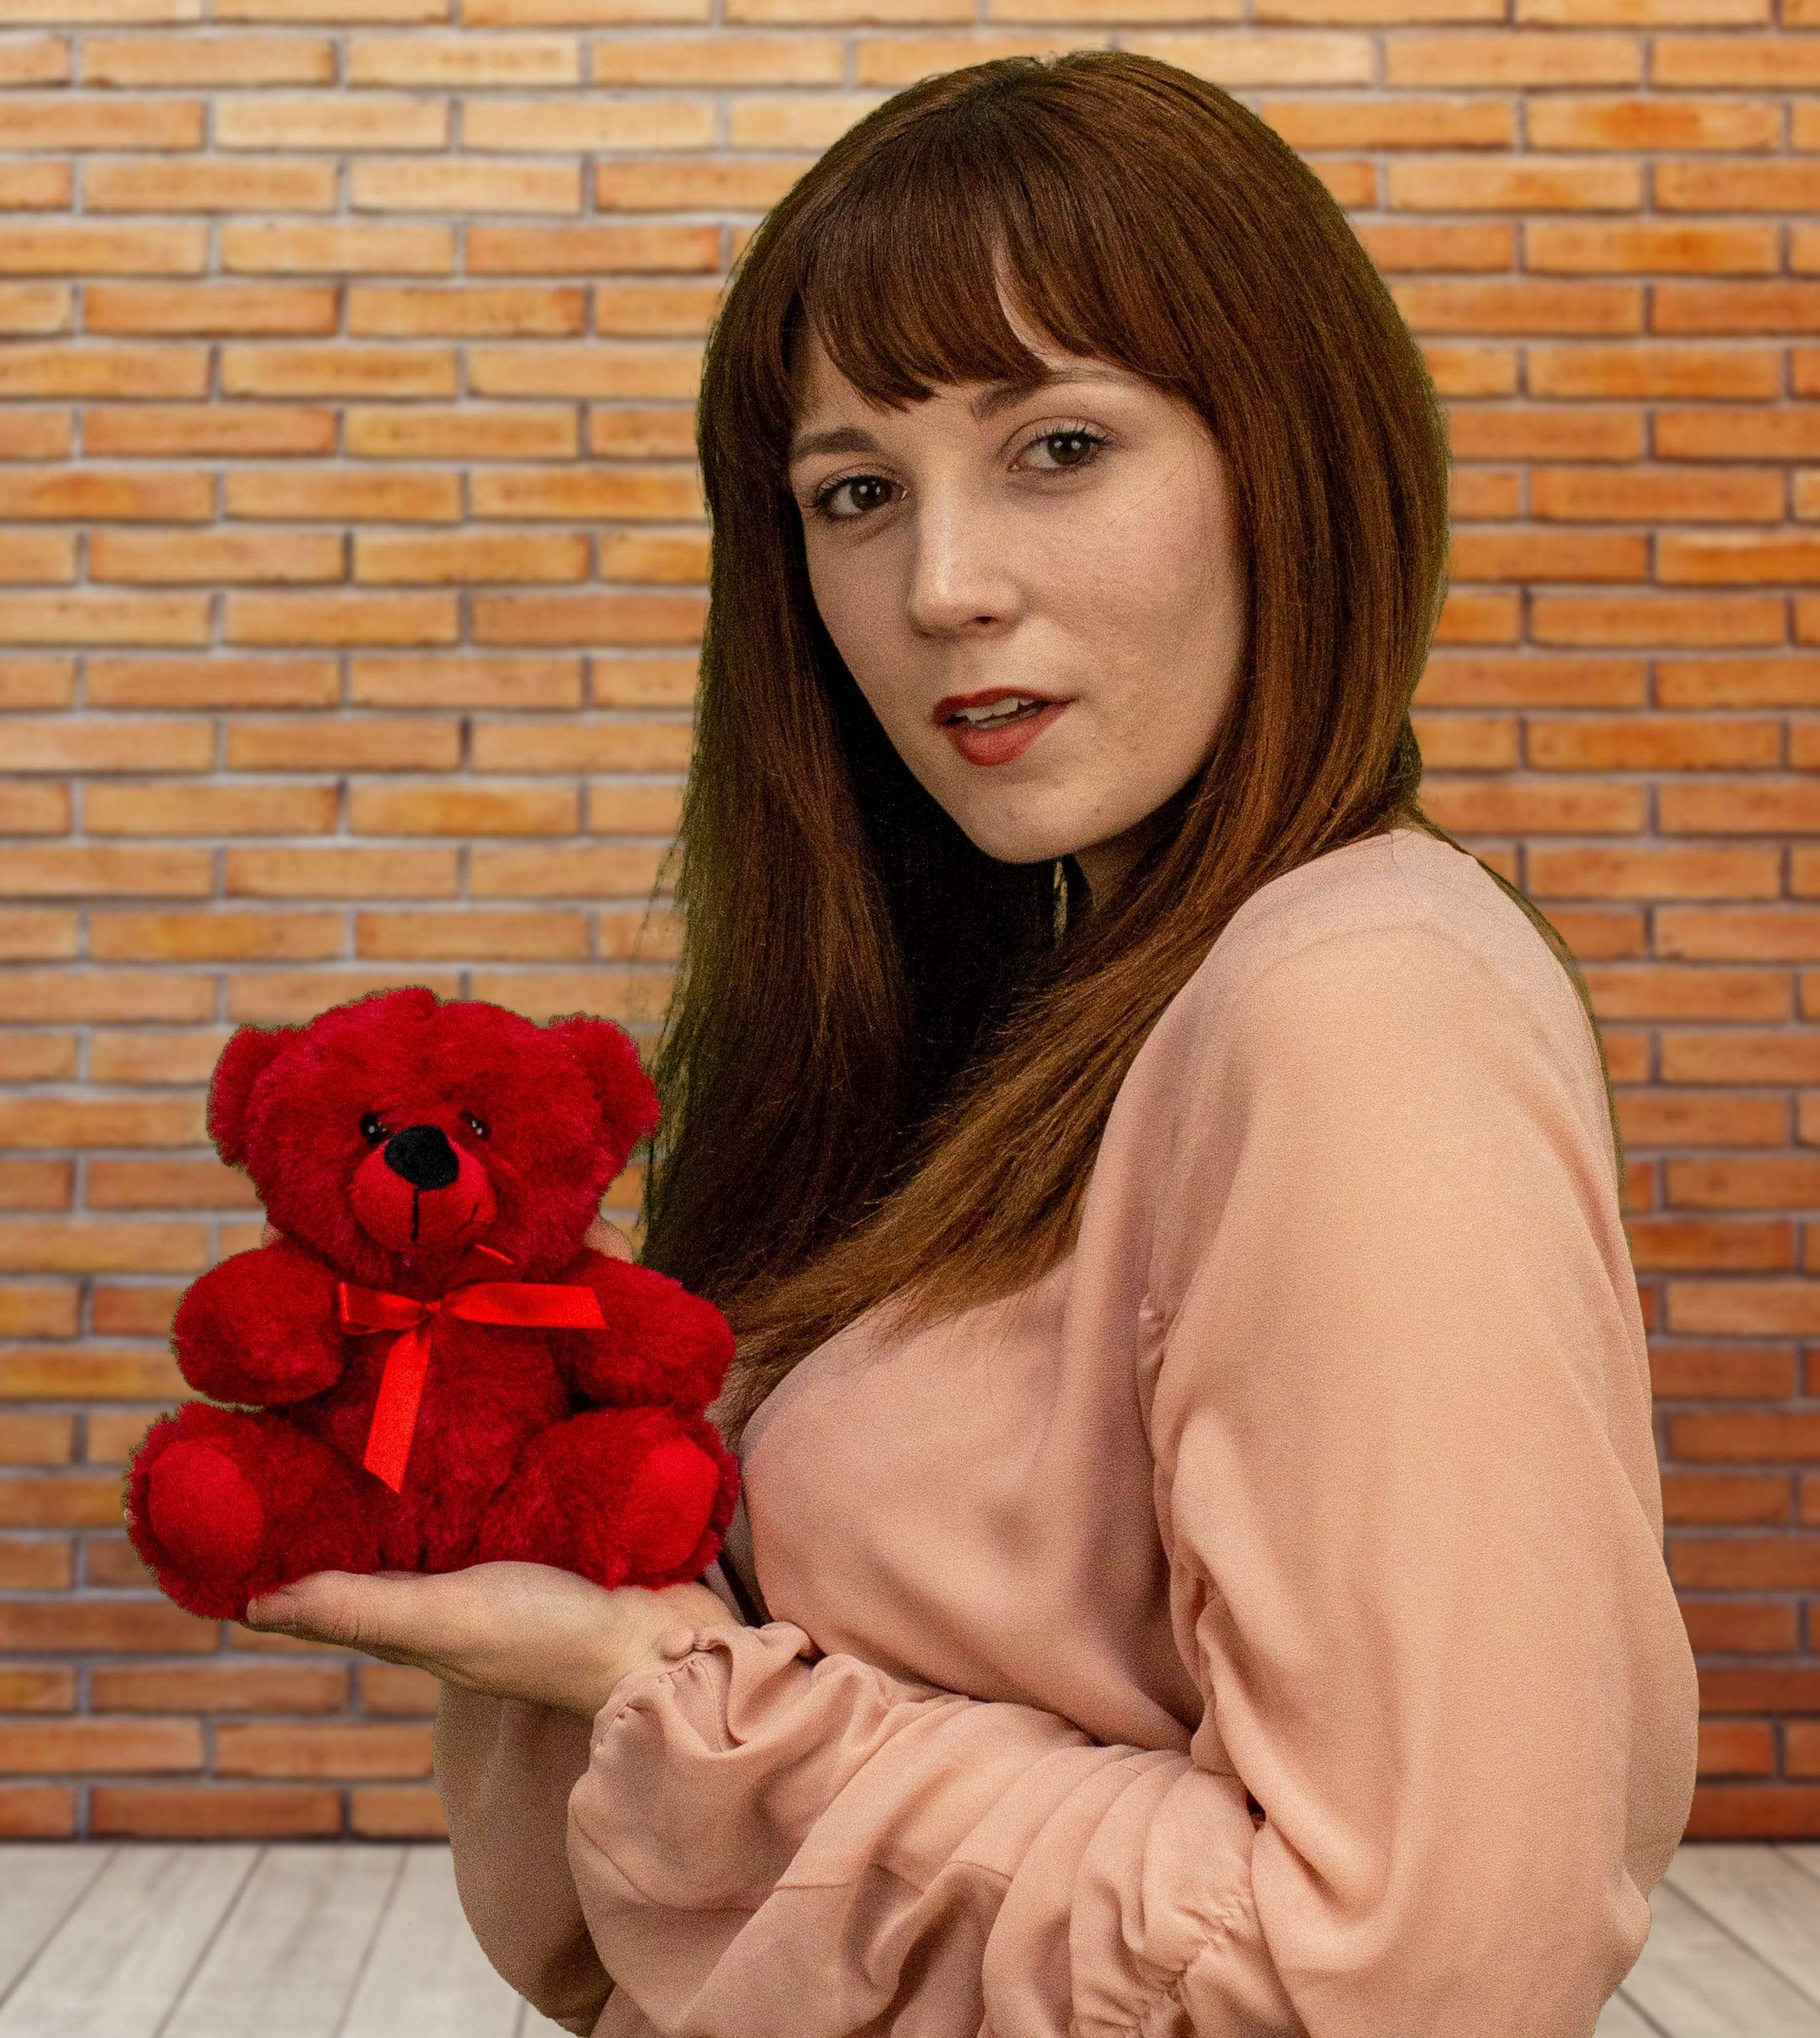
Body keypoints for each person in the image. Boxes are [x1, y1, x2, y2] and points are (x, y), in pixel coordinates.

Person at [246, 49, 1701, 2037]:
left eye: (1057, 448)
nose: (940, 588)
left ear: (1292, 458)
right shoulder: (1059, 1013)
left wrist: (660, 1684)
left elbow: (1415, 1968)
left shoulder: (1349, 1007)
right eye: (854, 492)